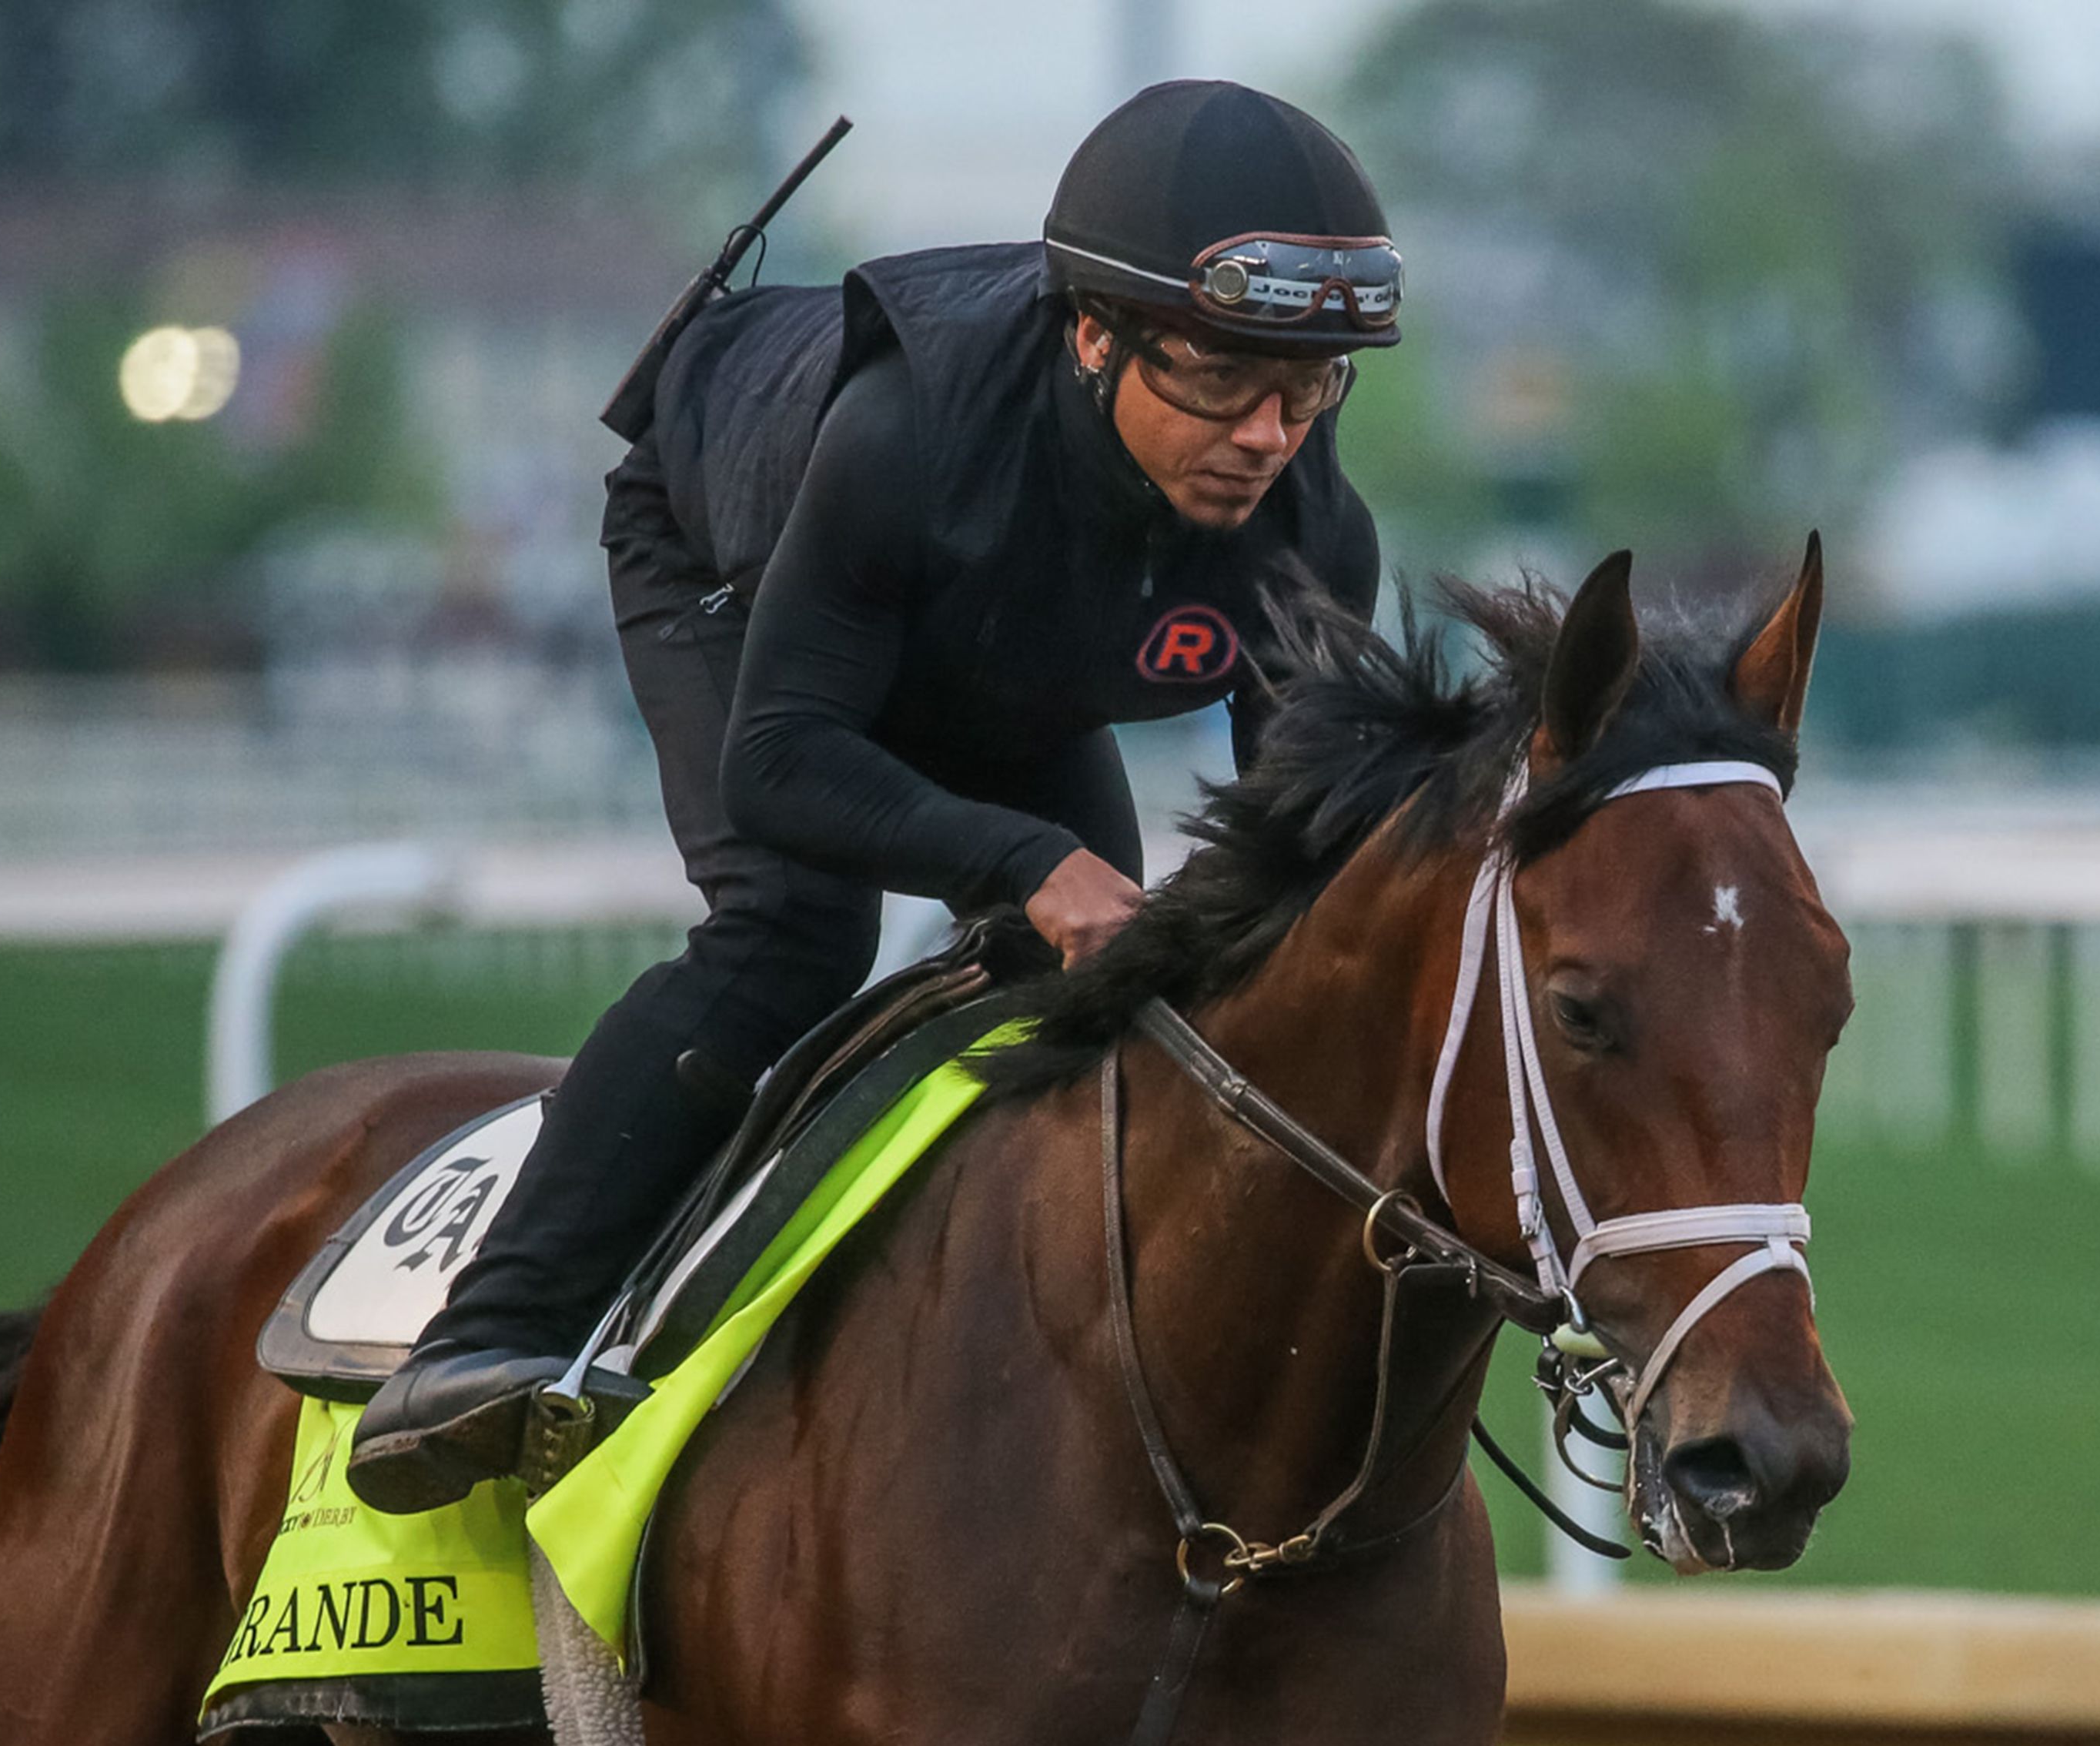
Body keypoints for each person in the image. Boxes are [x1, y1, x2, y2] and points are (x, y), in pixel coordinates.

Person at [347, 78, 1402, 1514]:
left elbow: (1302, 864)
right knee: (799, 928)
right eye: (1222, 380)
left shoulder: (1314, 526)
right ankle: (488, 1337)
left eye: (1309, 387)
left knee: (1109, 970)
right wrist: (1030, 856)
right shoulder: (909, 435)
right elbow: (779, 762)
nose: (1269, 435)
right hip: (735, 561)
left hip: (991, 630)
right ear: (1094, 333)